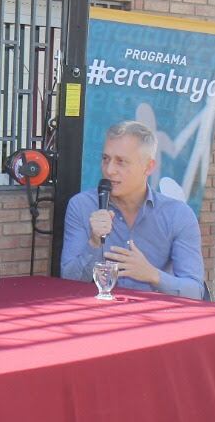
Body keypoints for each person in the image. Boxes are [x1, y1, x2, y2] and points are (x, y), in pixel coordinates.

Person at [60, 120, 206, 299]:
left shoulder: (178, 214)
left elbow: (195, 291)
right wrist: (94, 243)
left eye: (121, 162)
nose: (109, 170)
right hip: (99, 315)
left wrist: (152, 275)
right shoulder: (82, 206)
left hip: (156, 318)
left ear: (149, 166)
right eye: (106, 159)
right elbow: (68, 282)